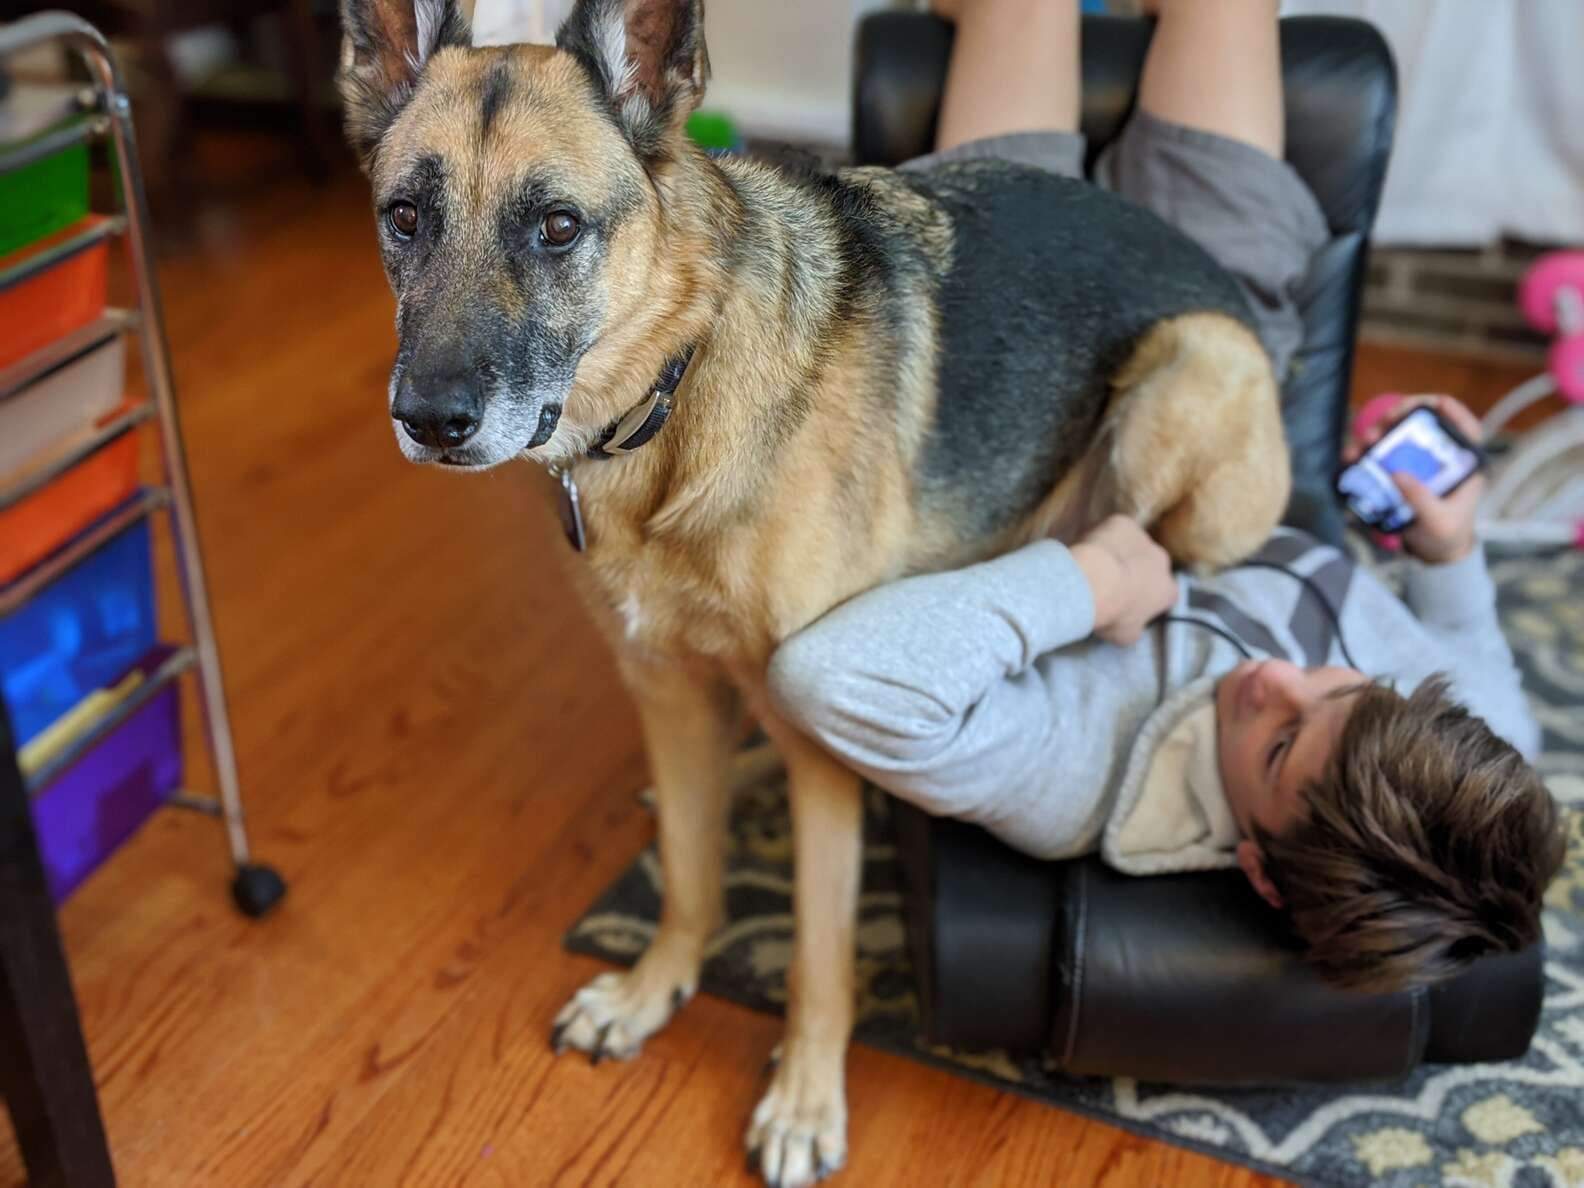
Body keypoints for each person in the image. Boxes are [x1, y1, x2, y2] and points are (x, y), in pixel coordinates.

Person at [767, 0, 1565, 994]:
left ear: (1261, 874)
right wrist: (1449, 553)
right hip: (1222, 389)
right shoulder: (1464, 734)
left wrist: (1086, 584)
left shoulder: (1074, 782)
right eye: (1344, 688)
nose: (1283, 676)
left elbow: (826, 676)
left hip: (1031, 402)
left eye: (1277, 745)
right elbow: (1487, 669)